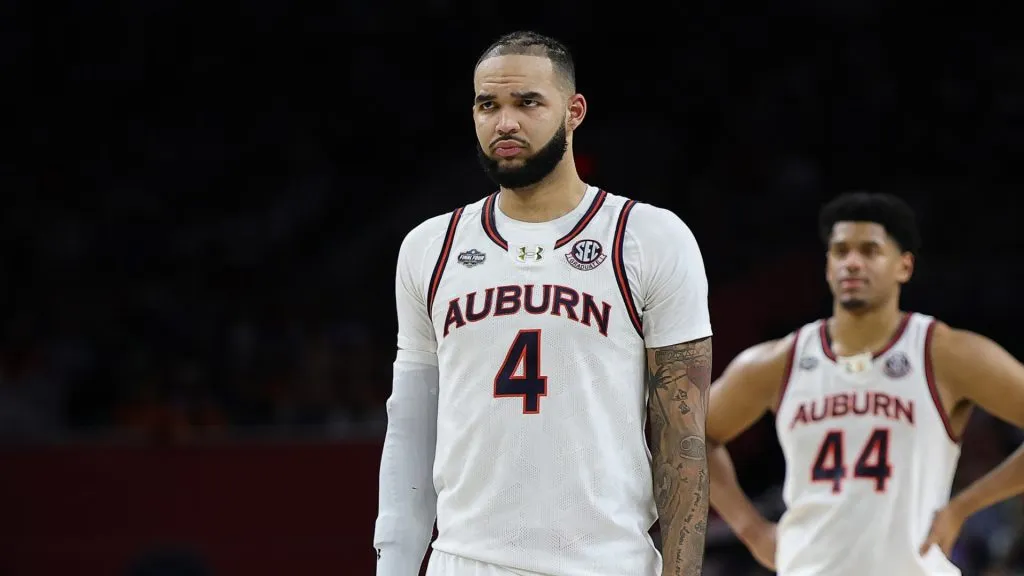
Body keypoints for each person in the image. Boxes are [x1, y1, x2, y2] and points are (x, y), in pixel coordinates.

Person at [373, 31, 714, 576]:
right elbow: (411, 429)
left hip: (607, 562)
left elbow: (683, 444)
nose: (505, 122)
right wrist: (393, 564)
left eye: (528, 102)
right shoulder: (430, 247)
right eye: (489, 105)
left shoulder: (649, 237)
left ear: (574, 111)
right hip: (465, 562)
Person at [706, 191, 1024, 575]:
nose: (852, 263)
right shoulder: (779, 362)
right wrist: (751, 529)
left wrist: (964, 506)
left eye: (870, 251)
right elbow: (692, 438)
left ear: (903, 266)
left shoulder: (945, 353)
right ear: (827, 266)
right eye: (840, 251)